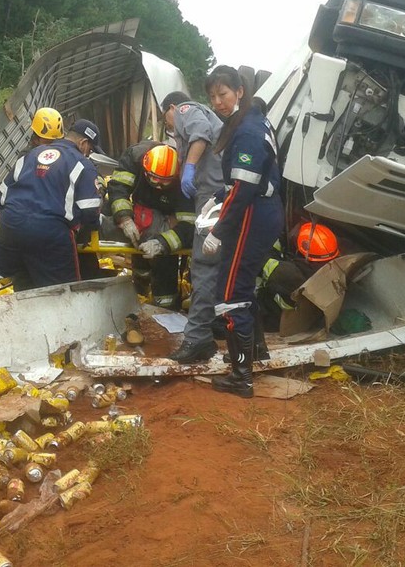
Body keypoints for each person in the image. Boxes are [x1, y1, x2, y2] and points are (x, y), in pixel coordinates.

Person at [0, 119, 103, 320]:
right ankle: (62, 333)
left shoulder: (31, 155)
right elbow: (90, 211)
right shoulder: (82, 164)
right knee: (63, 289)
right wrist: (86, 231)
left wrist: (17, 221)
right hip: (50, 232)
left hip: (11, 223)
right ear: (84, 143)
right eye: (90, 149)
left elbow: (1, 197)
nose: (89, 153)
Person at [200, 66, 284, 398]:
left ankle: (241, 376)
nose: (217, 102)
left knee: (230, 294)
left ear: (239, 91)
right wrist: (218, 198)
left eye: (222, 94)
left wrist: (219, 229)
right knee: (245, 286)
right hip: (264, 209)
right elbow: (245, 180)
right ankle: (255, 352)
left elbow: (245, 189)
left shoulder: (247, 130)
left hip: (254, 214)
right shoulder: (253, 121)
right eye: (212, 97)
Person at [160, 91, 226, 362]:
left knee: (204, 265)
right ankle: (215, 332)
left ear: (172, 107)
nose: (169, 125)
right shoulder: (209, 116)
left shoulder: (186, 109)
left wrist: (189, 167)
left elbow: (200, 132)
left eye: (166, 119)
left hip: (211, 197)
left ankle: (197, 338)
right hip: (219, 194)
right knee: (222, 265)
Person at [104, 142, 196, 308]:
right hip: (140, 208)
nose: (158, 185)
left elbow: (188, 226)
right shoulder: (134, 157)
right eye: (153, 179)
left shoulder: (184, 180)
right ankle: (141, 278)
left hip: (169, 218)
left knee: (165, 260)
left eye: (164, 182)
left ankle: (167, 309)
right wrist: (124, 219)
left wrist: (161, 243)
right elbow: (118, 188)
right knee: (111, 217)